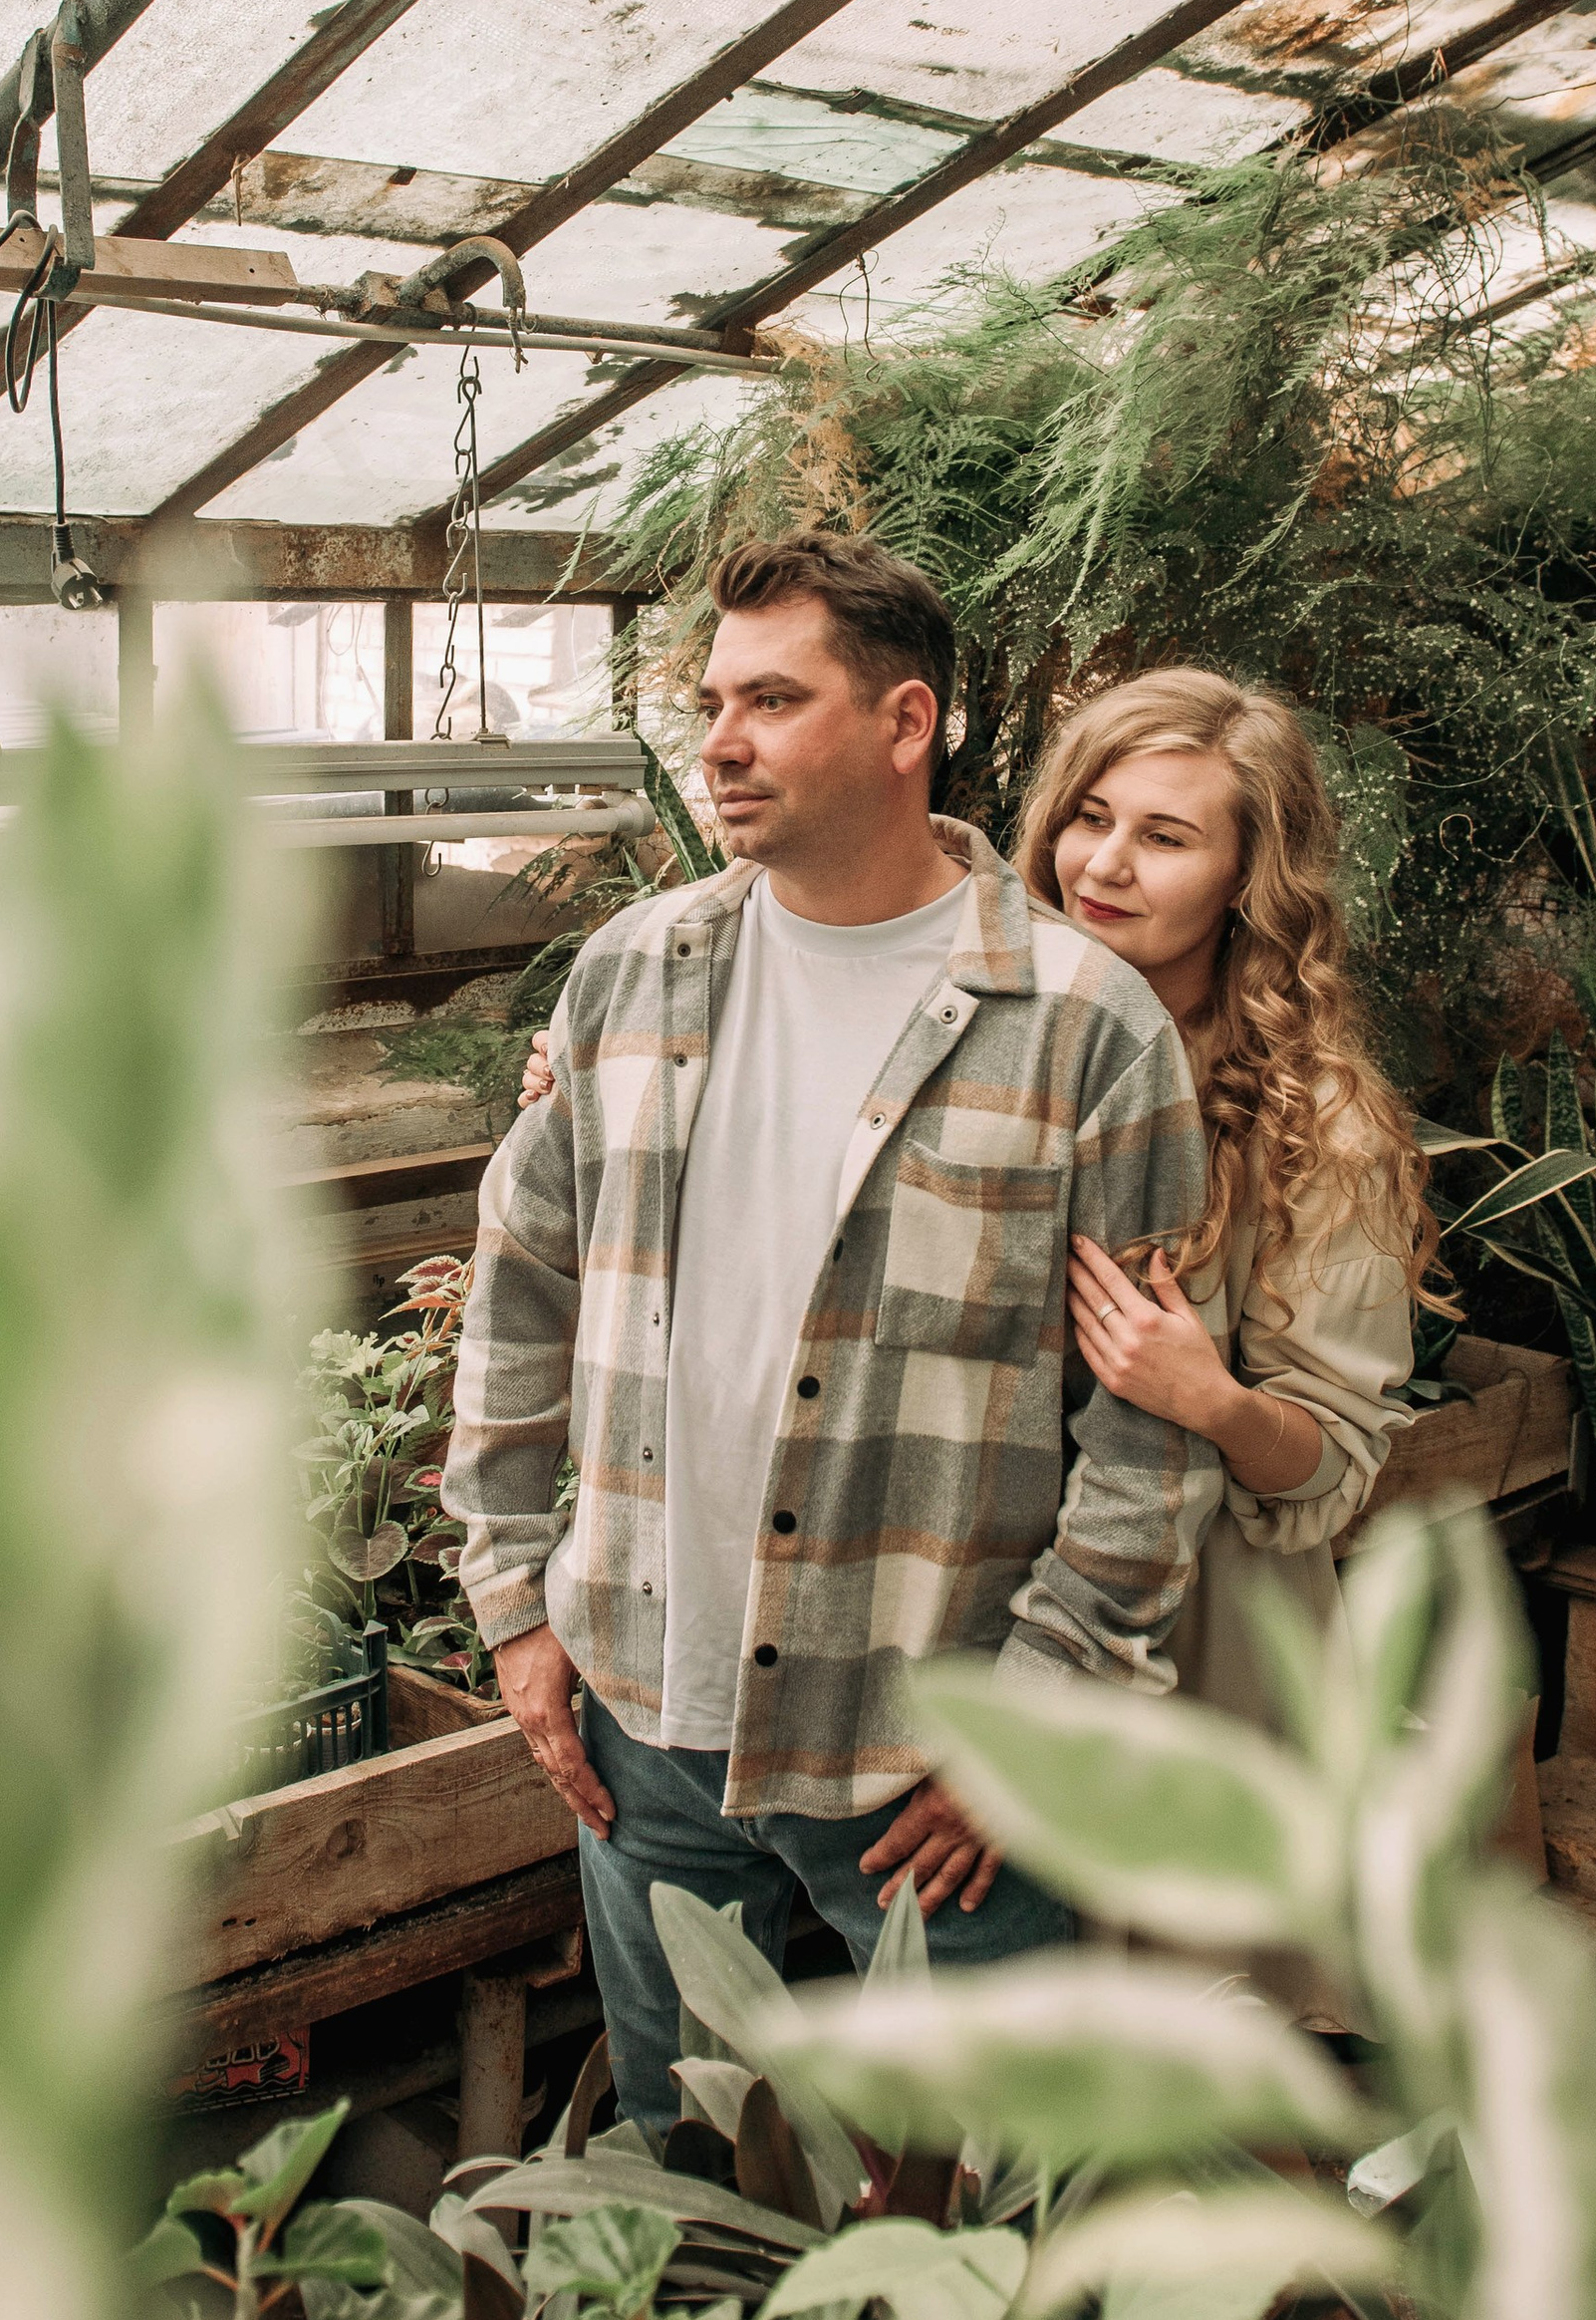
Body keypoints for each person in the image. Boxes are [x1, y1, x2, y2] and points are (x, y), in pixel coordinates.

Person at [440, 533, 1222, 2146]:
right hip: (643, 1727)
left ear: (905, 721)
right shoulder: (629, 982)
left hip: (926, 1769)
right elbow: (519, 1289)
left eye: (773, 700)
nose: (717, 740)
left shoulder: (1086, 1034)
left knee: (998, 2195)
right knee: (688, 2170)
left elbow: (1147, 1442)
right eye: (713, 700)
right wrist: (516, 1607)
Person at [1023, 669, 1426, 1721]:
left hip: (1203, 1650)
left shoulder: (1315, 1122)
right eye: (1090, 817)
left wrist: (1211, 1400)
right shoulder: (976, 1035)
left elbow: (1330, 1464)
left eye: (1163, 838)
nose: (1103, 865)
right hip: (979, 1613)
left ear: (1247, 875)